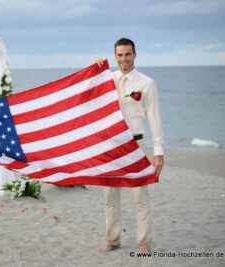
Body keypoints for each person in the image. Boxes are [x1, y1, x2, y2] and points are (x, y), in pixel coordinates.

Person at [95, 38, 164, 253]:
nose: (123, 59)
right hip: (111, 147)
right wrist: (95, 70)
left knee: (140, 198)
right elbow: (86, 94)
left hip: (135, 146)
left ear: (135, 55)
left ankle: (143, 243)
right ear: (114, 56)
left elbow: (155, 119)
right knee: (110, 198)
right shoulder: (107, 80)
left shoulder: (146, 83)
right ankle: (112, 240)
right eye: (119, 55)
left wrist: (158, 152)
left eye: (127, 54)